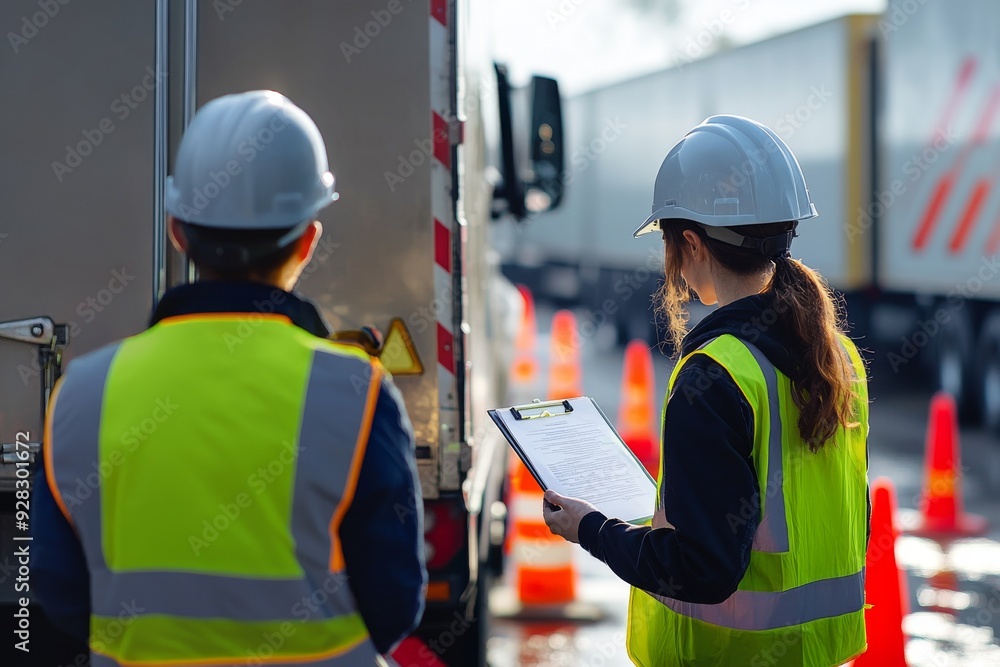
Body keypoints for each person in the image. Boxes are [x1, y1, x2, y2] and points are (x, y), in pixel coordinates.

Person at [31, 90, 426, 665]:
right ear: (308, 241)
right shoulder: (353, 390)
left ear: (177, 231)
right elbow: (393, 596)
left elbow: (58, 586)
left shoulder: (83, 391)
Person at [543, 115, 870, 666]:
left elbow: (700, 568)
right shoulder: (838, 355)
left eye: (667, 241)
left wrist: (590, 528)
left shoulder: (714, 375)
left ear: (691, 242)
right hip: (819, 654)